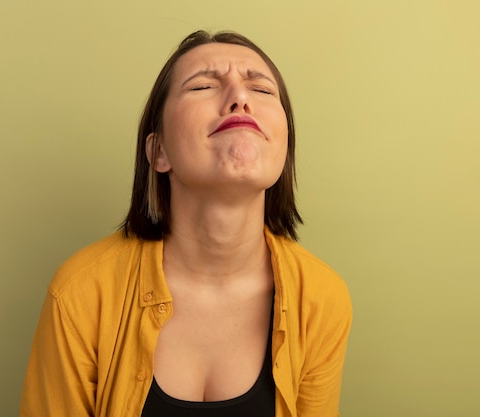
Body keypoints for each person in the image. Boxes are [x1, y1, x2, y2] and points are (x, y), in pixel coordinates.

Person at [20, 30, 352, 417]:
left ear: (283, 146)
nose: (240, 98)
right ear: (158, 151)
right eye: (203, 85)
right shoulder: (79, 294)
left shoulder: (322, 299)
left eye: (261, 90)